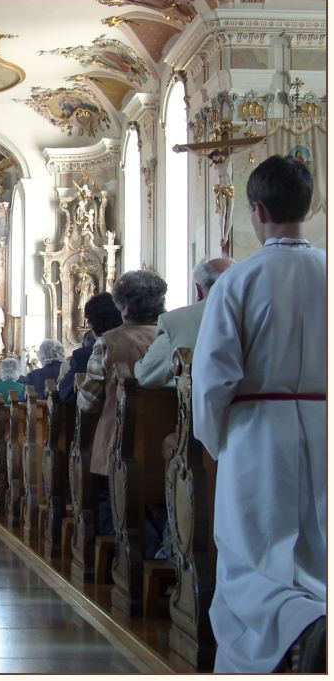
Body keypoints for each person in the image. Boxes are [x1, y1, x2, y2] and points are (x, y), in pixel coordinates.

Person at [192, 155, 325, 673]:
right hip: (324, 427)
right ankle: (314, 624)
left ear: (258, 210)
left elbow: (213, 377)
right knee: (317, 549)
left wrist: (215, 440)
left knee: (252, 556)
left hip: (257, 433)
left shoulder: (238, 281)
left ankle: (294, 633)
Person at [76, 269, 166, 477]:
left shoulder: (108, 342)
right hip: (165, 446)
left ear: (124, 308)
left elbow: (88, 401)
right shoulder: (171, 335)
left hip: (118, 446)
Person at [134, 257, 234, 388]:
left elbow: (145, 375)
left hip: (201, 406)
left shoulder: (175, 322)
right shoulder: (262, 312)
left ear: (198, 290)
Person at [58, 293, 123, 403]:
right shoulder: (134, 345)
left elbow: (65, 392)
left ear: (91, 323)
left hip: (102, 417)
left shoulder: (83, 355)